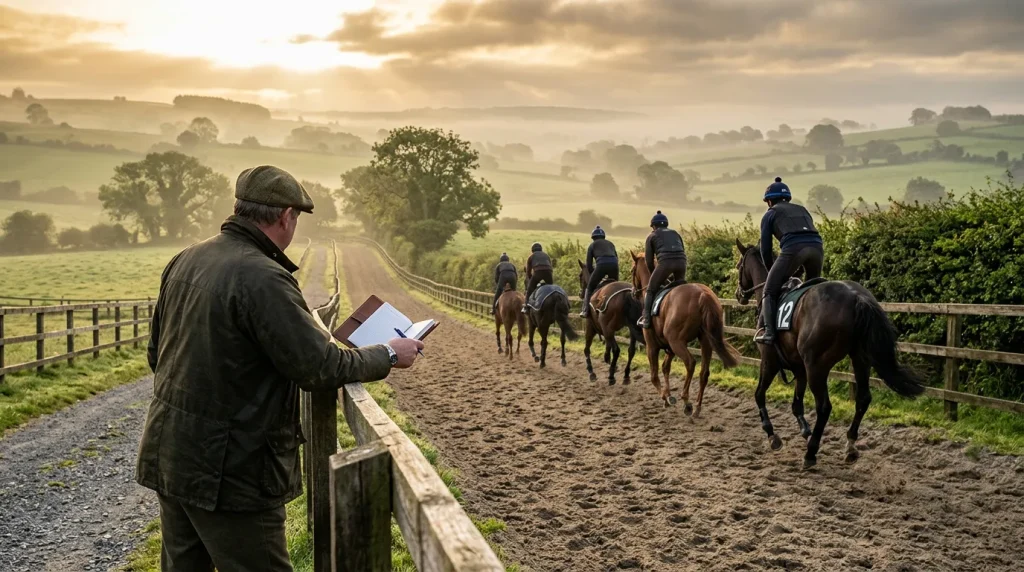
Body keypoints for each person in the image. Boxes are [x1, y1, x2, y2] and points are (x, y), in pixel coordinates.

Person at [136, 165, 423, 572]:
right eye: (296, 219)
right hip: (231, 471)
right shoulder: (263, 277)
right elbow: (319, 367)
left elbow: (156, 354)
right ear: (287, 215)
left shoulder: (187, 258)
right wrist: (390, 353)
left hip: (172, 453)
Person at [754, 176, 823, 345]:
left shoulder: (770, 214)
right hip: (817, 248)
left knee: (769, 291)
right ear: (788, 198)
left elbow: (766, 249)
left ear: (769, 201)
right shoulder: (802, 209)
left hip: (793, 249)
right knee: (812, 288)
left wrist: (772, 271)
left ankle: (769, 332)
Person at [637, 211, 687, 329]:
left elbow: (649, 261)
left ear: (653, 226)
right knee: (679, 287)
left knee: (650, 290)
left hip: (665, 263)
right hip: (681, 262)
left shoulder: (651, 236)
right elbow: (682, 250)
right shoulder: (675, 233)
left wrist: (653, 274)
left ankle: (646, 319)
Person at [580, 225, 619, 318]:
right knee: (617, 286)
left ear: (593, 237)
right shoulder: (611, 244)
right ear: (603, 236)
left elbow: (589, 264)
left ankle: (585, 310)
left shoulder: (592, 245)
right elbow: (616, 257)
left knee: (589, 287)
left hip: (601, 265)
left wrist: (594, 273)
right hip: (614, 265)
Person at [521, 242, 554, 313]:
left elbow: (528, 272)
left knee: (530, 289)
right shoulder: (546, 255)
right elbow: (551, 267)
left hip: (538, 273)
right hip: (548, 273)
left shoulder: (531, 256)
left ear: (532, 250)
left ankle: (526, 307)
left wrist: (531, 280)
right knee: (551, 289)